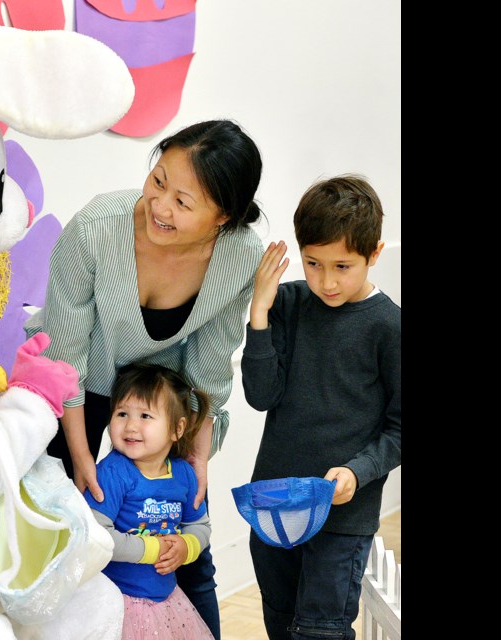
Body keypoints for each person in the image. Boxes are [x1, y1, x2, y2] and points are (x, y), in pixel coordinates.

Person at [24, 119, 265, 637]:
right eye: (158, 183)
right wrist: (82, 456)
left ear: (223, 216)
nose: (160, 207)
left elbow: (209, 367)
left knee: (186, 551)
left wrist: (197, 459)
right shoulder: (96, 227)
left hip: (163, 403)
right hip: (77, 390)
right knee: (69, 540)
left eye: (184, 201)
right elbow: (67, 358)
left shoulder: (239, 255)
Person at [240, 174, 401, 640]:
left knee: (320, 632)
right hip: (273, 505)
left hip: (343, 516)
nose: (326, 281)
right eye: (312, 263)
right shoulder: (287, 304)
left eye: (342, 266)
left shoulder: (388, 327)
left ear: (374, 254)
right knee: (281, 623)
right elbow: (260, 395)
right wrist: (260, 314)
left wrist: (358, 471)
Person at [84, 362, 215, 640]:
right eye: (122, 413)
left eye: (145, 415)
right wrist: (151, 549)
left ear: (177, 429)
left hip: (166, 601)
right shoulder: (112, 473)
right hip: (117, 601)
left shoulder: (183, 474)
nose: (130, 426)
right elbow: (95, 536)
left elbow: (201, 526)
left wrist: (185, 546)